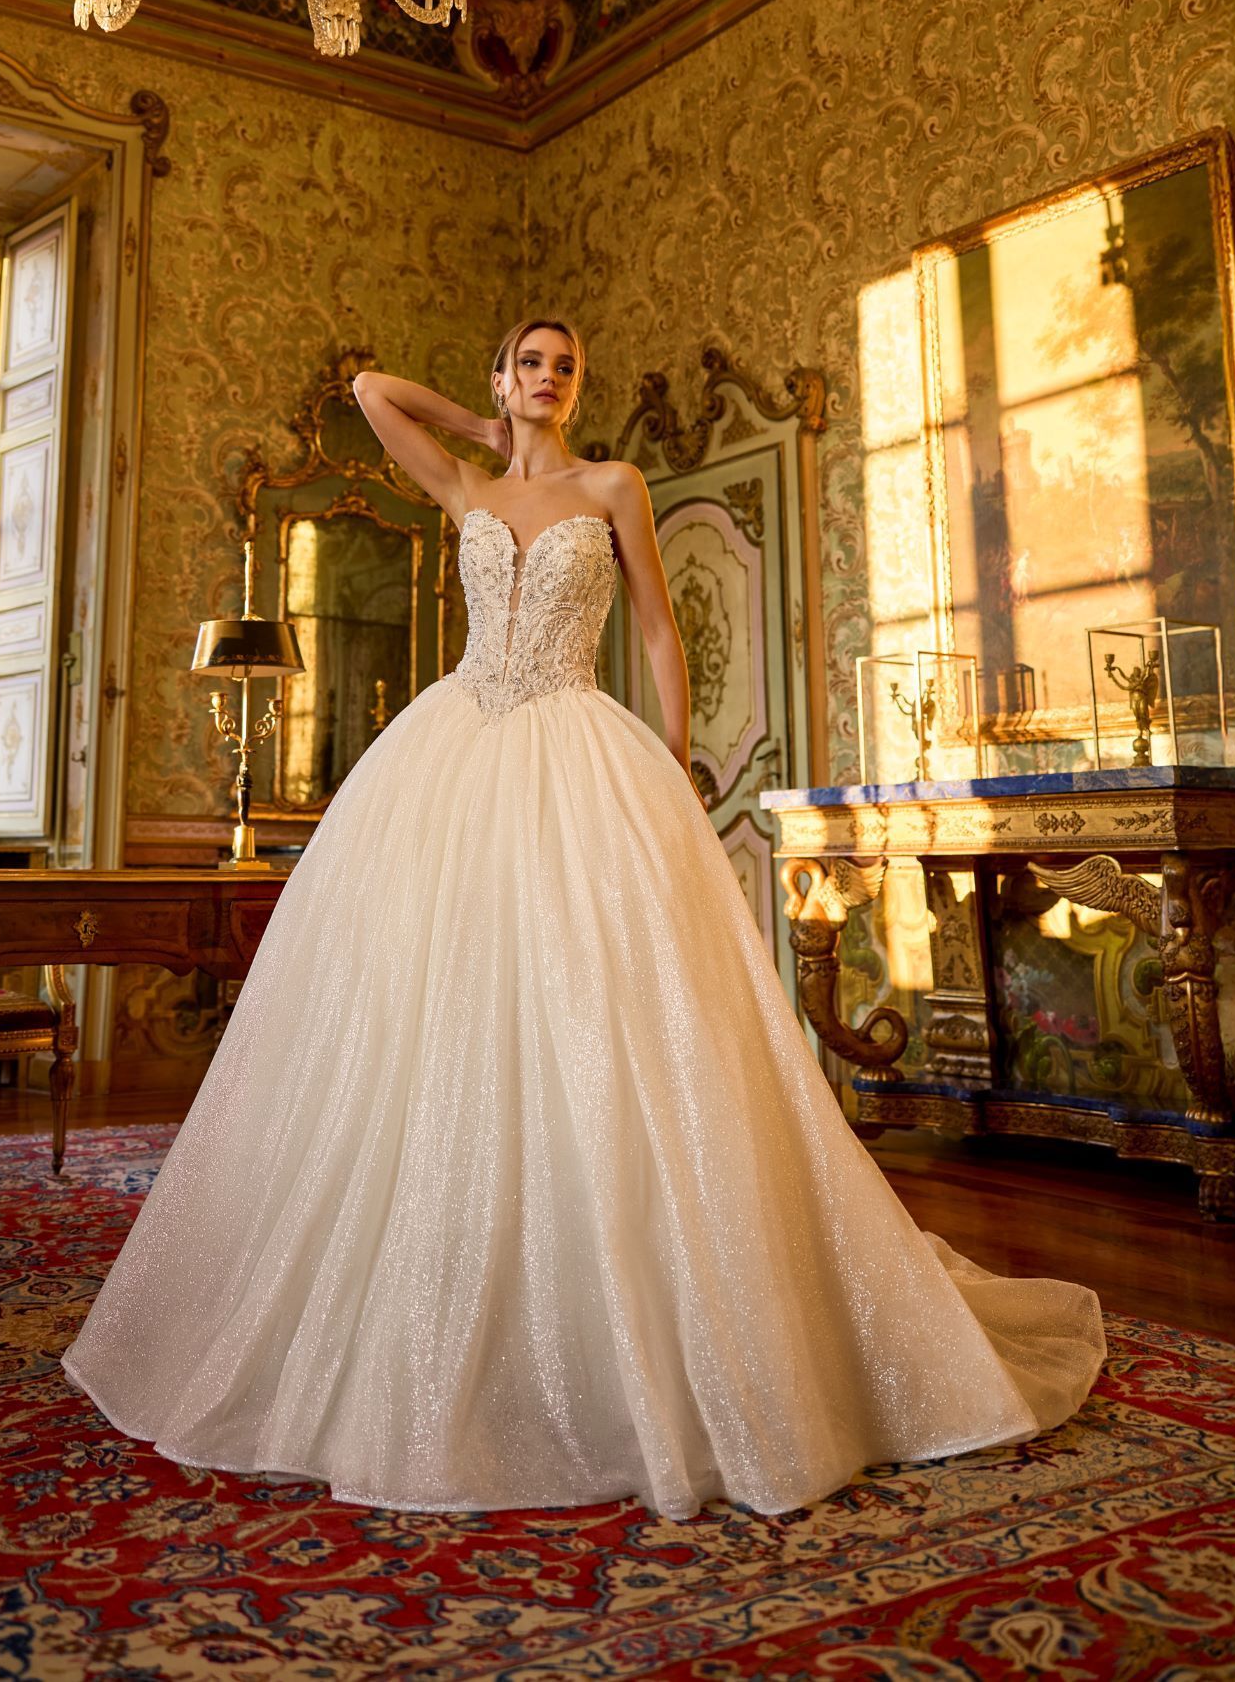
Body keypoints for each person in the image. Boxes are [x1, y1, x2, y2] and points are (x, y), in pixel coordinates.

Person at [63, 316, 1105, 1521]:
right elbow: (367, 387)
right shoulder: (461, 478)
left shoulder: (617, 484)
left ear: (578, 386)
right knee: (433, 1004)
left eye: (562, 366)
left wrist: (671, 760)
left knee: (605, 1009)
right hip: (457, 750)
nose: (548, 378)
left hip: (576, 741)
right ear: (502, 374)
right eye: (528, 363)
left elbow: (659, 628)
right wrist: (480, 421)